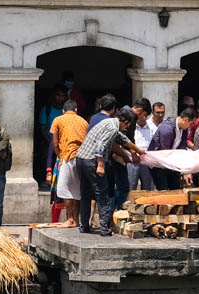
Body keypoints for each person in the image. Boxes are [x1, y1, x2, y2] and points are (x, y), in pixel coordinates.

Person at [74, 106, 142, 235]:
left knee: (86, 194)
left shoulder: (109, 122)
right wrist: (100, 164)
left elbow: (122, 139)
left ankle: (84, 226)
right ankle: (105, 228)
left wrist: (137, 150)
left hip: (81, 158)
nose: (127, 128)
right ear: (126, 122)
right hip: (92, 161)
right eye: (128, 126)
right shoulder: (112, 127)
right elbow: (100, 146)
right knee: (102, 193)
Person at [49, 99, 90, 227]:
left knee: (65, 189)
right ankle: (77, 220)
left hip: (67, 156)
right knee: (77, 191)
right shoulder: (84, 122)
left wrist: (60, 156)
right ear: (76, 110)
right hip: (83, 158)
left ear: (63, 110)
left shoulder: (58, 120)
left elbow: (55, 143)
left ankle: (70, 219)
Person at [146, 106, 189, 191]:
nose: (189, 126)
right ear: (186, 120)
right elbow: (164, 151)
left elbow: (182, 149)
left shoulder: (184, 130)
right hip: (159, 164)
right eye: (190, 123)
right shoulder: (167, 128)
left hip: (172, 164)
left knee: (176, 189)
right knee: (163, 191)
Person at [129, 98, 157, 191]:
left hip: (146, 161)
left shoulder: (152, 128)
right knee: (131, 186)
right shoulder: (130, 126)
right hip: (132, 160)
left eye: (146, 116)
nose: (144, 118)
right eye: (143, 115)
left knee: (147, 187)